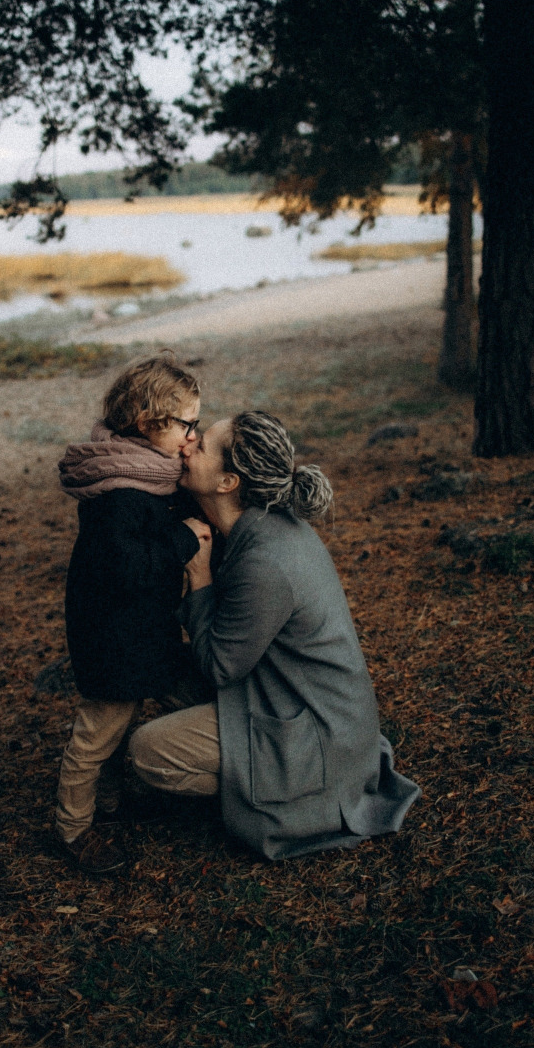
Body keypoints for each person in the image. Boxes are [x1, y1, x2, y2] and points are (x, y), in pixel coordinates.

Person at [129, 411, 420, 860]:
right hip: (287, 695)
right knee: (158, 669)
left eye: (201, 445)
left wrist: (200, 577)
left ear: (228, 482)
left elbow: (219, 667)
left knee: (147, 751)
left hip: (318, 734)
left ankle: (291, 797)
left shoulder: (266, 560)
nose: (186, 445)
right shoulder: (257, 526)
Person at [54, 355, 211, 875]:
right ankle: (74, 829)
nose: (194, 437)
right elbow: (128, 568)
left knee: (163, 702)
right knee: (98, 732)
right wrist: (184, 538)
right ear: (149, 425)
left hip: (146, 631)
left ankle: (113, 802)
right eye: (188, 425)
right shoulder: (120, 494)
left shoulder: (145, 472)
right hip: (113, 637)